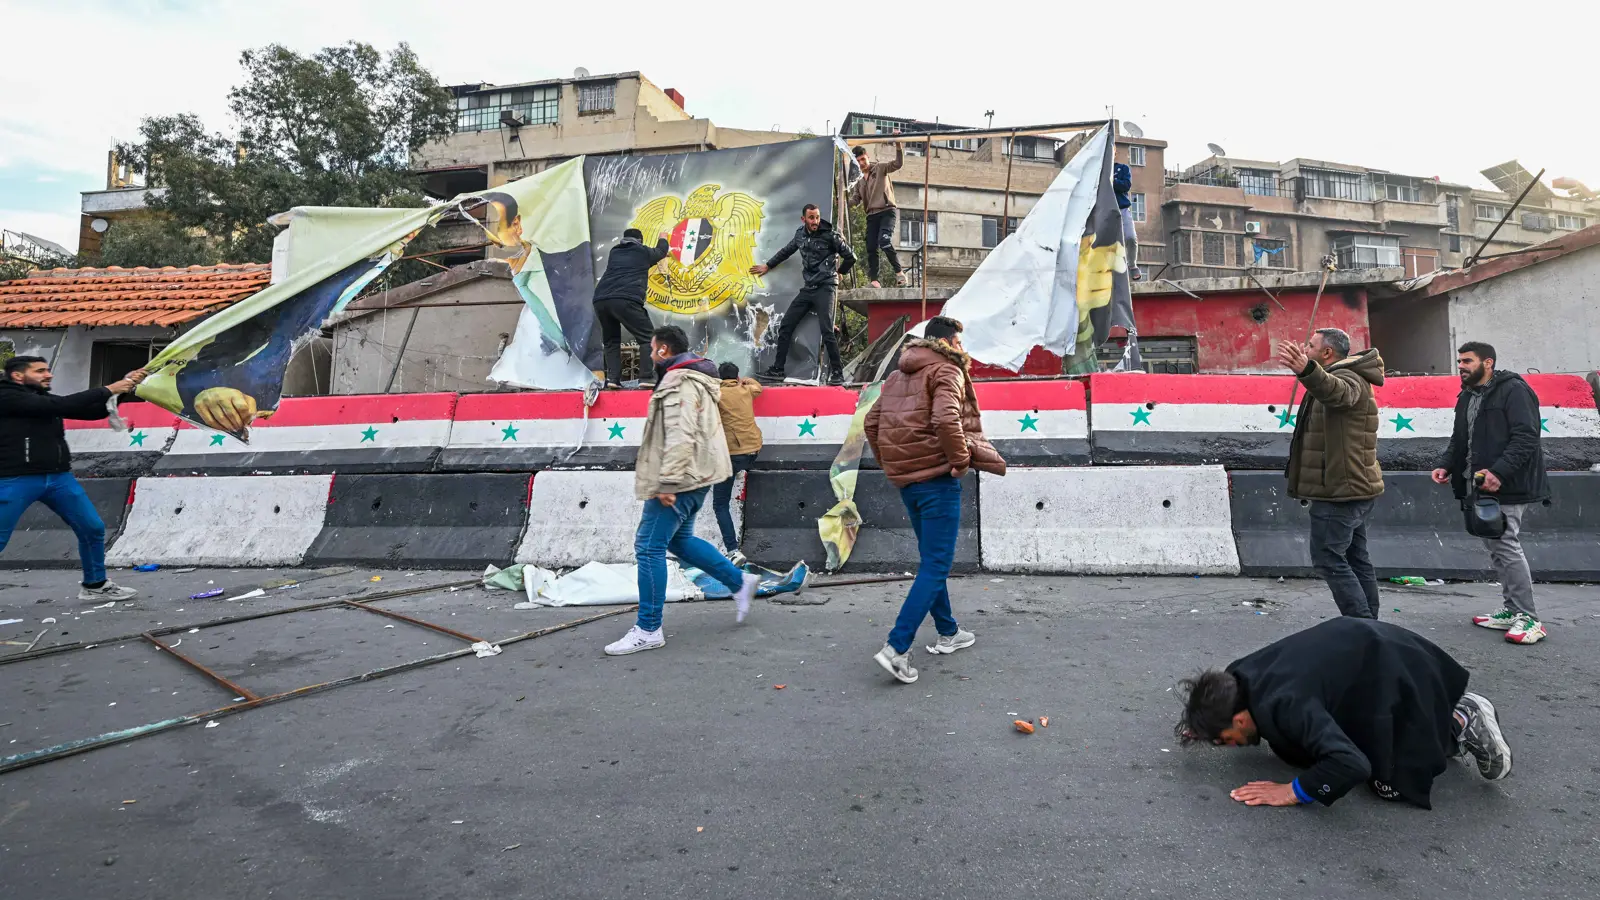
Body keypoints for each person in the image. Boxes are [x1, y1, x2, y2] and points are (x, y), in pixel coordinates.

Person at [1176, 617, 1512, 809]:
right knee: (1316, 748)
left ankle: (1462, 719)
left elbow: (1352, 765)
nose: (1229, 746)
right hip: (1366, 656)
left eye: (1225, 740)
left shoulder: (1286, 705)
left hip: (1400, 670)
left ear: (1238, 719)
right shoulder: (1237, 679)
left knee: (1388, 783)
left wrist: (1294, 791)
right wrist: (1205, 723)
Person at [863, 316, 1006, 683]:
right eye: (959, 341)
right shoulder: (947, 371)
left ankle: (948, 632)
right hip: (937, 479)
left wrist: (893, 465)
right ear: (949, 343)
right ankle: (897, 648)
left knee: (931, 560)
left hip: (908, 482)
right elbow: (946, 420)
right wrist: (959, 462)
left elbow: (872, 424)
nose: (962, 348)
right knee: (937, 565)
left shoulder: (896, 375)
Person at [605, 326, 762, 656]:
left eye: (651, 349)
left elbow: (680, 432)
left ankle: (648, 628)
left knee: (648, 546)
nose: (649, 355)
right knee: (680, 540)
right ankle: (738, 582)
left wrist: (667, 481)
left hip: (682, 477)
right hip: (699, 474)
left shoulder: (679, 381)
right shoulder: (697, 377)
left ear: (664, 350)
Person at [1432, 341, 1550, 645]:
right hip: (1479, 484)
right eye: (1459, 361)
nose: (1461, 366)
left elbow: (1526, 437)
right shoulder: (1467, 396)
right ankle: (1512, 610)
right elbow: (1460, 438)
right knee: (1497, 546)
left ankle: (1530, 618)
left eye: (1467, 361)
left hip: (1506, 484)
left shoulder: (1514, 390)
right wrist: (1446, 464)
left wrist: (1500, 471)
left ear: (1488, 363)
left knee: (1506, 544)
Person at [0, 357, 145, 601]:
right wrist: (110, 388)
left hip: (58, 478)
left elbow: (91, 411)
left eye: (48, 369)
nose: (49, 375)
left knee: (91, 527)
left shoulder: (43, 399)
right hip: (15, 479)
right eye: (40, 371)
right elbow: (58, 405)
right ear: (17, 375)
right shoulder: (7, 396)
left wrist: (126, 388)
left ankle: (95, 585)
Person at [1278, 328, 1385, 619]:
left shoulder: (1350, 377)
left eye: (1310, 346)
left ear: (1327, 353)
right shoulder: (1343, 374)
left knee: (1328, 557)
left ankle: (1361, 624)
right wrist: (1308, 372)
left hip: (1341, 490)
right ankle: (1368, 623)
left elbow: (1338, 394)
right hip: (1349, 486)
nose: (1304, 350)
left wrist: (1306, 370)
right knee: (1354, 557)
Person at [749, 203, 856, 385]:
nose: (815, 221)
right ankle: (778, 369)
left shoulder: (830, 235)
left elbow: (851, 256)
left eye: (817, 217)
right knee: (785, 325)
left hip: (826, 287)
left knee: (827, 330)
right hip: (809, 288)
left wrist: (841, 272)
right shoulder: (800, 234)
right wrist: (768, 265)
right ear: (804, 219)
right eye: (811, 218)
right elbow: (787, 251)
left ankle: (837, 374)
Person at [593, 227, 672, 389]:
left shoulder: (615, 252)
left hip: (601, 299)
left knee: (611, 342)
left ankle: (613, 380)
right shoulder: (642, 252)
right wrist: (663, 237)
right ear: (640, 241)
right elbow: (661, 251)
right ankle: (646, 377)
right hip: (625, 298)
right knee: (648, 337)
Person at [713, 361, 763, 567]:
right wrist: (745, 380)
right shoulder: (746, 390)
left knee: (720, 504)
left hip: (732, 455)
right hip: (754, 451)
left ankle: (733, 550)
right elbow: (758, 387)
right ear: (737, 376)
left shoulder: (717, 394)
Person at [850, 142, 907, 288]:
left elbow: (898, 164)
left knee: (884, 241)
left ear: (867, 157)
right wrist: (842, 201)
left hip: (887, 211)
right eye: (858, 161)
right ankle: (874, 281)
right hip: (871, 216)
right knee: (870, 247)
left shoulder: (880, 168)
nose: (862, 163)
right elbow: (855, 200)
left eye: (863, 159)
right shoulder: (859, 181)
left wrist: (899, 146)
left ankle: (899, 273)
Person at [1113, 160, 1142, 281]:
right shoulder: (1096, 169)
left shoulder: (1122, 168)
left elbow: (1126, 185)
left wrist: (1112, 181)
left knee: (1130, 237)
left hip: (1122, 208)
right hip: (1103, 210)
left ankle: (1132, 264)